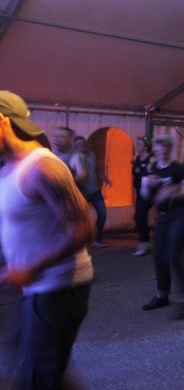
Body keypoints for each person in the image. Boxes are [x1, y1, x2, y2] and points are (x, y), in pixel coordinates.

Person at [0, 90, 95, 388]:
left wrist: (31, 268)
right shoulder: (7, 169)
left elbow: (83, 229)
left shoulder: (43, 167)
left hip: (58, 288)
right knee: (33, 363)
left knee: (36, 378)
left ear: (2, 121)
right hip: (35, 288)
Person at [140, 134, 184, 320]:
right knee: (159, 257)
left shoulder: (177, 168)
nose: (163, 150)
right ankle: (162, 295)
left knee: (174, 256)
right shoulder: (152, 169)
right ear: (155, 149)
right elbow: (145, 196)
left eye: (166, 146)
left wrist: (174, 191)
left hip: (179, 216)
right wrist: (146, 185)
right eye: (160, 146)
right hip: (162, 218)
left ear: (170, 149)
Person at [73, 135, 112, 248]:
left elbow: (97, 169)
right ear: (75, 146)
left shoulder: (92, 155)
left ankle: (98, 239)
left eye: (83, 143)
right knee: (80, 217)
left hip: (95, 191)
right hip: (82, 192)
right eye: (79, 144)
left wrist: (105, 179)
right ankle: (79, 241)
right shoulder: (75, 158)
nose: (81, 145)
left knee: (102, 213)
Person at [132, 136, 154, 256]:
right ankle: (146, 243)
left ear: (146, 147)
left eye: (139, 144)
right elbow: (136, 173)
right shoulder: (137, 158)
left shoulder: (151, 158)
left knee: (139, 216)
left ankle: (144, 243)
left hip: (149, 192)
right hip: (140, 191)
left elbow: (151, 173)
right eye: (136, 144)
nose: (137, 146)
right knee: (140, 216)